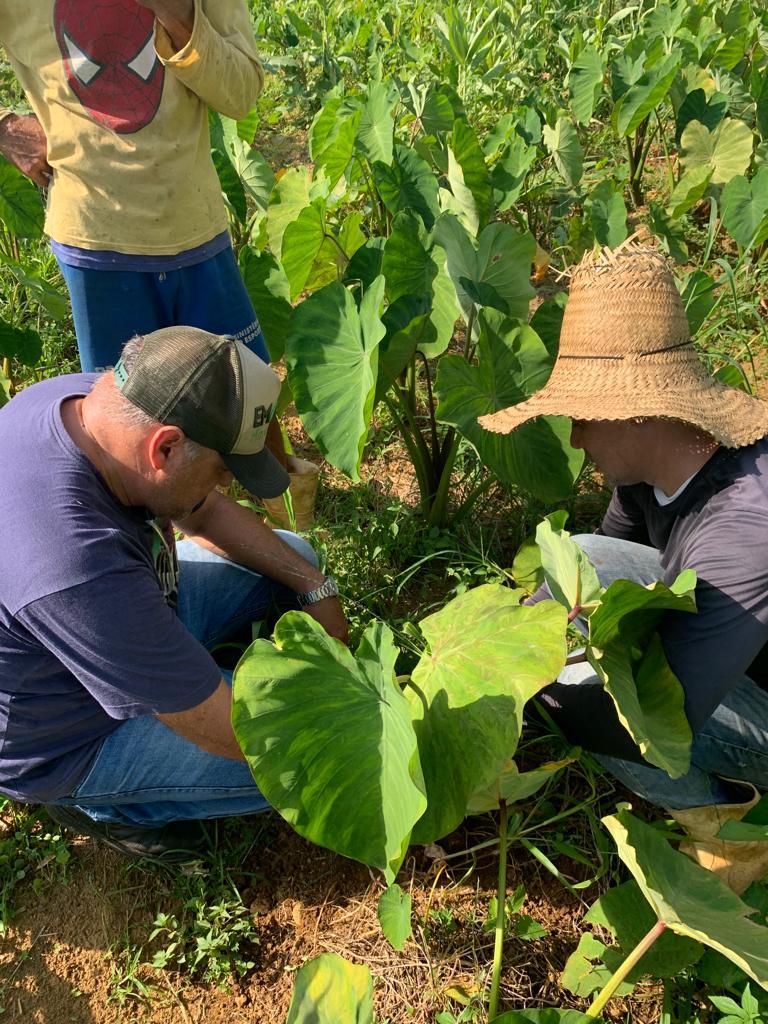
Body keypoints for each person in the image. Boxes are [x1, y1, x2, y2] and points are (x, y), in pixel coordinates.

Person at [480, 243, 768, 893]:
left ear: (636, 411)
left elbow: (657, 726)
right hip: (729, 647)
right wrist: (503, 636)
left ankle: (724, 833)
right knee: (578, 566)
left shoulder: (746, 524)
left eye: (583, 418)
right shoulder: (658, 459)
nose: (575, 439)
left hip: (756, 705)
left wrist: (515, 700)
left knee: (605, 697)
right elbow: (600, 558)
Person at [0, 326, 348, 859]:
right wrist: (343, 721)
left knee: (294, 559)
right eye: (221, 471)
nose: (227, 485)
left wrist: (311, 583)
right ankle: (107, 808)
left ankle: (170, 662)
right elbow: (216, 724)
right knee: (317, 762)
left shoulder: (94, 402)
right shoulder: (76, 564)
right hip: (69, 735)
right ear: (164, 447)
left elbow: (200, 509)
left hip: (124, 608)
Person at [0, 1, 277, 395]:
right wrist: (5, 128)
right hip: (96, 240)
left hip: (195, 226)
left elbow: (241, 93)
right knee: (132, 431)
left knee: (246, 409)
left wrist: (178, 15)